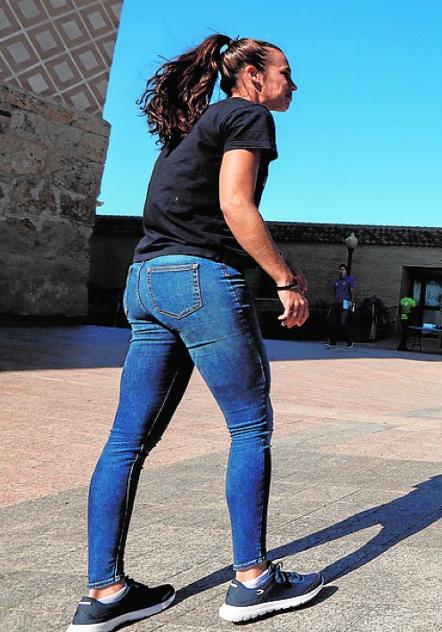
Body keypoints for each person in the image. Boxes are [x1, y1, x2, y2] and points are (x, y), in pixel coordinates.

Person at [67, 35, 322, 632]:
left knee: (127, 441)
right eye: (286, 71)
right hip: (198, 278)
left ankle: (104, 593)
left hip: (146, 278)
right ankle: (253, 582)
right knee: (250, 425)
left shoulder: (198, 122)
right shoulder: (248, 114)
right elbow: (237, 205)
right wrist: (284, 277)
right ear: (253, 76)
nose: (294, 84)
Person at [325, 263, 354, 349]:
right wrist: (333, 302)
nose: (341, 271)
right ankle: (332, 342)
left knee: (343, 322)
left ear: (346, 271)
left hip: (346, 302)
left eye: (343, 269)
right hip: (337, 302)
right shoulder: (337, 282)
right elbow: (335, 293)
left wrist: (351, 304)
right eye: (340, 269)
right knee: (333, 322)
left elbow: (352, 292)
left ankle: (350, 342)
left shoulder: (350, 279)